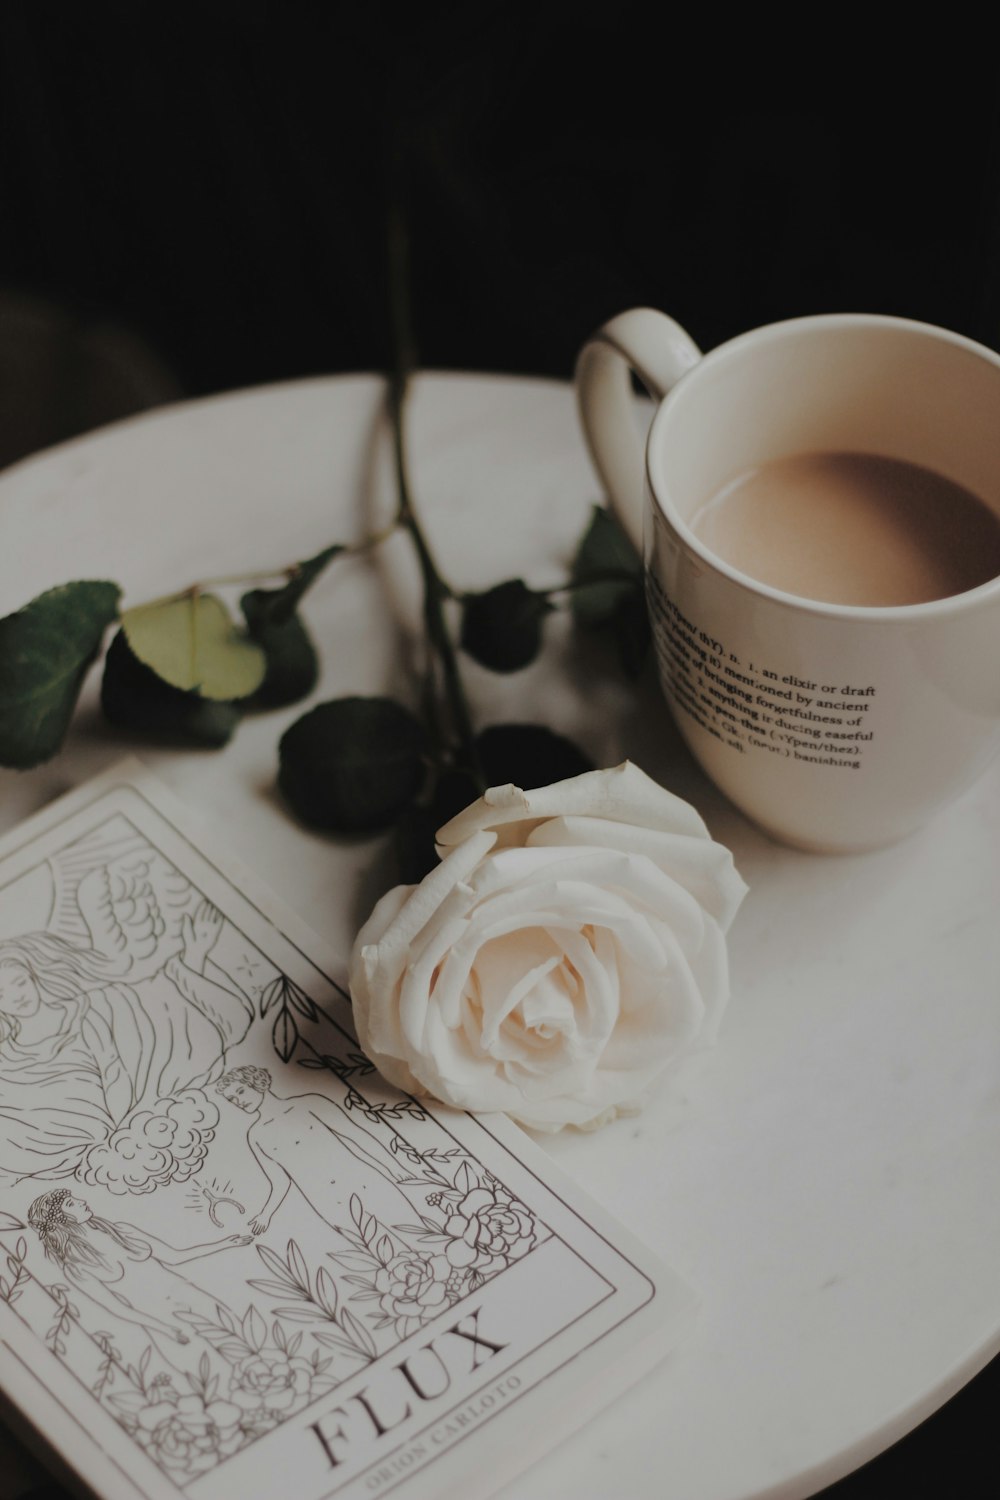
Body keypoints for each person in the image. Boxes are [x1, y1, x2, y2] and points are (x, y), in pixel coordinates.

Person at [0, 905, 253, 1183]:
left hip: (131, 1142)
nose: (17, 997)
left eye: (20, 982)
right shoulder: (7, 1060)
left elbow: (158, 1010)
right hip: (74, 1163)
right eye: (2, 993)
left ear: (33, 977)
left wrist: (193, 957)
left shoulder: (95, 1007)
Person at [27, 1187, 250, 1365]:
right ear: (60, 1219)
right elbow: (117, 1308)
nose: (81, 1201)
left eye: (75, 1198)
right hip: (163, 1319)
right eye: (71, 1203)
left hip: (192, 1296)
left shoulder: (120, 1230)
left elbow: (174, 1257)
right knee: (210, 1366)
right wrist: (166, 1329)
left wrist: (225, 1243)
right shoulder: (75, 1266)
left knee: (243, 1341)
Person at [215, 1066, 414, 1236]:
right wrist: (265, 1214)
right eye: (232, 1099)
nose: (238, 1101)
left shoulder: (307, 1102)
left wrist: (392, 1167)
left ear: (256, 1082)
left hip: (362, 1179)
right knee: (373, 1249)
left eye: (240, 1092)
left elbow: (356, 1135)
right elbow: (279, 1180)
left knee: (411, 1226)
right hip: (326, 1199)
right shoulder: (256, 1136)